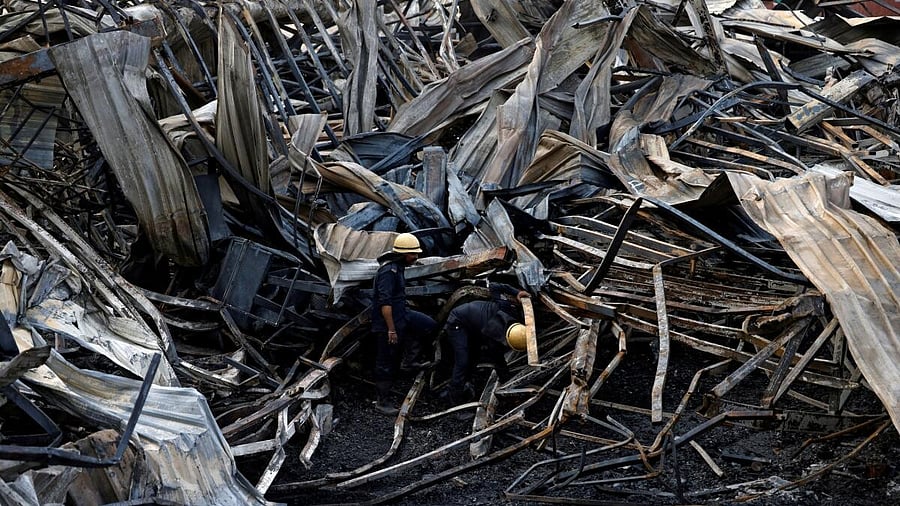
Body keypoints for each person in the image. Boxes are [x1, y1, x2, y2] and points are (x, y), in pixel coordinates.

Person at [371, 232, 437, 415]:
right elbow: (385, 303)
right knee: (386, 361)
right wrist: (391, 330)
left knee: (428, 325)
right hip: (386, 323)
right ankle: (382, 401)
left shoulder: (398, 268)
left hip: (402, 315)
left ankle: (410, 361)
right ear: (402, 254)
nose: (416, 257)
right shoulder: (387, 272)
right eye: (413, 254)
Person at [443, 280, 530, 406]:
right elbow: (499, 362)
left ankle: (467, 383)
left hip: (474, 324)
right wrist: (508, 384)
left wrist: (517, 292)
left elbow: (495, 286)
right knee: (462, 361)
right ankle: (453, 400)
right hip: (458, 321)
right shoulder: (493, 337)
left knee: (474, 355)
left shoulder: (507, 308)